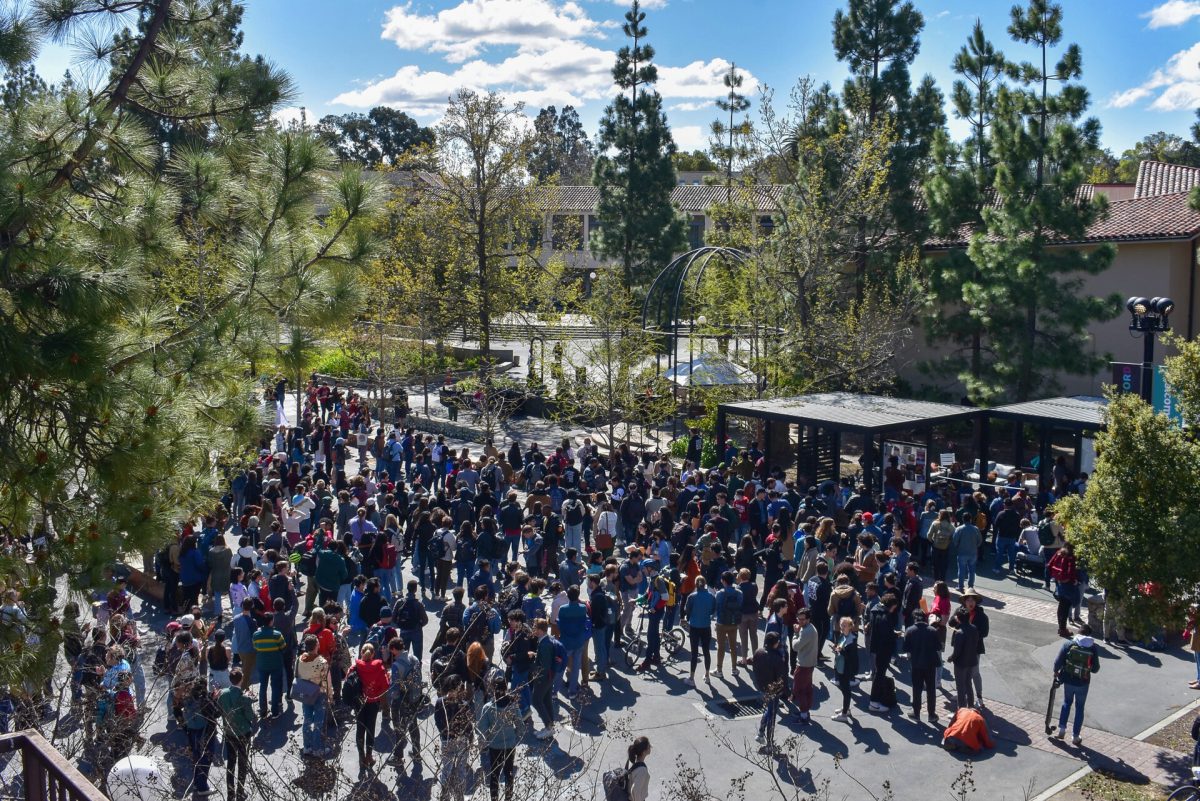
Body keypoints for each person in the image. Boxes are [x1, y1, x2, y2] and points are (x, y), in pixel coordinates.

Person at [1052, 626, 1101, 745]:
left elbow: (1057, 662)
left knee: (1067, 702)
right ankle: (1075, 736)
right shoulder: (1092, 647)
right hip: (1083, 682)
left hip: (1068, 679)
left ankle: (1062, 729)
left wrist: (1056, 672)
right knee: (1079, 707)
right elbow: (1095, 669)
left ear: (1079, 632)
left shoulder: (1069, 644)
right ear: (1089, 635)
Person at [478, 677, 524, 801]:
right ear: (506, 689)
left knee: (494, 775)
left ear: (493, 689)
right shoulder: (513, 705)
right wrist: (515, 736)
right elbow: (521, 726)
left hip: (494, 746)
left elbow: (481, 728)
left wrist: (488, 739)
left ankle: (494, 799)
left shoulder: (488, 708)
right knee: (509, 773)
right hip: (509, 745)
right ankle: (508, 798)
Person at [218, 668, 257, 801]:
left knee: (231, 763)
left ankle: (230, 793)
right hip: (242, 732)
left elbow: (220, 710)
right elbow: (250, 716)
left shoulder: (222, 694)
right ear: (241, 679)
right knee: (242, 762)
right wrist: (250, 701)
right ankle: (240, 791)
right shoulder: (244, 697)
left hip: (229, 732)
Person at [352, 642, 390, 773]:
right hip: (373, 702)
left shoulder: (355, 667)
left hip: (359, 702)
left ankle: (361, 756)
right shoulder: (379, 667)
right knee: (370, 728)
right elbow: (385, 686)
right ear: (373, 654)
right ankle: (369, 756)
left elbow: (348, 681)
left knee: (360, 728)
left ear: (361, 653)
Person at [386, 636, 424, 772]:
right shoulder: (414, 659)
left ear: (395, 649)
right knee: (413, 726)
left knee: (399, 728)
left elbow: (394, 688)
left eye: (392, 650)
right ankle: (416, 753)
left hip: (401, 701)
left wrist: (392, 701)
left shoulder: (397, 666)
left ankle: (398, 757)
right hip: (414, 698)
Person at [435, 676, 474, 801]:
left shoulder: (440, 702)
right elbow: (468, 724)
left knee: (447, 768)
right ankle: (458, 796)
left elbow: (439, 723)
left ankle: (445, 795)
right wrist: (469, 737)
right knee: (460, 769)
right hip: (460, 739)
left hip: (447, 739)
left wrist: (447, 733)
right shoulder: (463, 704)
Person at [296, 633, 333, 759]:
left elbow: (297, 674)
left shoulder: (300, 659)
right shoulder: (322, 662)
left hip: (305, 691)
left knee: (307, 719)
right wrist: (330, 695)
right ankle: (317, 748)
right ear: (317, 645)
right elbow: (327, 681)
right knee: (318, 721)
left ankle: (307, 746)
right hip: (319, 693)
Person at [903, 610, 941, 724]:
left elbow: (906, 649)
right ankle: (931, 714)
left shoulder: (910, 631)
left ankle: (916, 712)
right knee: (931, 689)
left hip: (916, 664)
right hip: (930, 665)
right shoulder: (932, 631)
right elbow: (938, 647)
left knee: (917, 689)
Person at [752, 631, 788, 747]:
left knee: (769, 709)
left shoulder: (758, 652)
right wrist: (787, 692)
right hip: (773, 689)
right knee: (772, 715)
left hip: (761, 686)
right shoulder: (777, 658)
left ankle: (761, 733)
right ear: (775, 643)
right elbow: (782, 677)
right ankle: (769, 743)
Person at [252, 613, 286, 719]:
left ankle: (263, 711)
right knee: (275, 687)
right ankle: (275, 711)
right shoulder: (277, 634)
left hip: (262, 664)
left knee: (263, 687)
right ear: (271, 621)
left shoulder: (256, 635)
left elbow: (255, 647)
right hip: (276, 664)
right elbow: (283, 647)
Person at [684, 576, 716, 686]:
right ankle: (707, 675)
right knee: (706, 651)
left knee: (694, 653)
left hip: (694, 626)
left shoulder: (692, 596)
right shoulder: (711, 596)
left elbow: (687, 610)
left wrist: (688, 618)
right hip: (706, 626)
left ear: (696, 584)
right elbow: (712, 610)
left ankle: (692, 678)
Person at [530, 618, 559, 739]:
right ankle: (550, 725)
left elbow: (545, 665)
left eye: (535, 627)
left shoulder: (545, 644)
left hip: (544, 677)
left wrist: (537, 676)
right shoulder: (546, 640)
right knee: (546, 700)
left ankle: (548, 727)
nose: (533, 630)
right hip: (549, 676)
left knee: (536, 700)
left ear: (540, 630)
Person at [948, 608, 981, 710]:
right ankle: (971, 707)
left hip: (961, 663)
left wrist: (951, 658)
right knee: (968, 684)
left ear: (958, 619)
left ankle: (962, 710)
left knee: (960, 687)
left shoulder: (960, 632)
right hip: (971, 661)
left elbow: (957, 652)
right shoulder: (974, 628)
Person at [791, 608, 819, 723]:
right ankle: (805, 711)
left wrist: (795, 633)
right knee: (807, 688)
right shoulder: (810, 628)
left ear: (808, 619)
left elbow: (795, 647)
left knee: (798, 690)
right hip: (810, 663)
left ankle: (803, 715)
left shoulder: (806, 631)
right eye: (799, 619)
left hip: (803, 664)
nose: (800, 622)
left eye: (802, 619)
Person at [1047, 543, 1081, 638]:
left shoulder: (1059, 552)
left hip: (1060, 582)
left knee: (1061, 606)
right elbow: (1071, 572)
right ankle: (1063, 629)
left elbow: (1049, 565)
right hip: (1068, 584)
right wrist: (1074, 581)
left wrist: (1056, 577)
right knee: (1065, 607)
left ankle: (1061, 628)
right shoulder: (1071, 557)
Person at [714, 571, 743, 678]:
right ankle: (734, 669)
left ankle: (719, 669)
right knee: (733, 646)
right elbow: (740, 605)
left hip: (721, 622)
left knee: (721, 647)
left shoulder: (720, 593)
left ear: (723, 581)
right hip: (734, 622)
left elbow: (716, 608)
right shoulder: (739, 593)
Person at [831, 616, 859, 723]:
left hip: (846, 669)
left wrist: (840, 651)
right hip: (840, 666)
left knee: (846, 690)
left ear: (850, 627)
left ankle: (844, 714)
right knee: (844, 689)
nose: (841, 627)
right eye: (841, 625)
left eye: (844, 625)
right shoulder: (842, 635)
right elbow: (839, 646)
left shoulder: (852, 640)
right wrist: (836, 648)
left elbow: (850, 656)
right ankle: (846, 709)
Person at [952, 513, 982, 592]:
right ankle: (970, 586)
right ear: (970, 519)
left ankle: (960, 586)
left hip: (962, 552)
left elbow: (955, 541)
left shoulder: (959, 529)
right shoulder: (975, 529)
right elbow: (980, 541)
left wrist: (958, 546)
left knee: (961, 570)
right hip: (973, 553)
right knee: (972, 571)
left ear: (963, 519)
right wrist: (975, 546)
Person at [625, 736, 652, 801]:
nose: (651, 747)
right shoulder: (642, 770)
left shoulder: (631, 761)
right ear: (643, 752)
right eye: (649, 746)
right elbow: (635, 790)